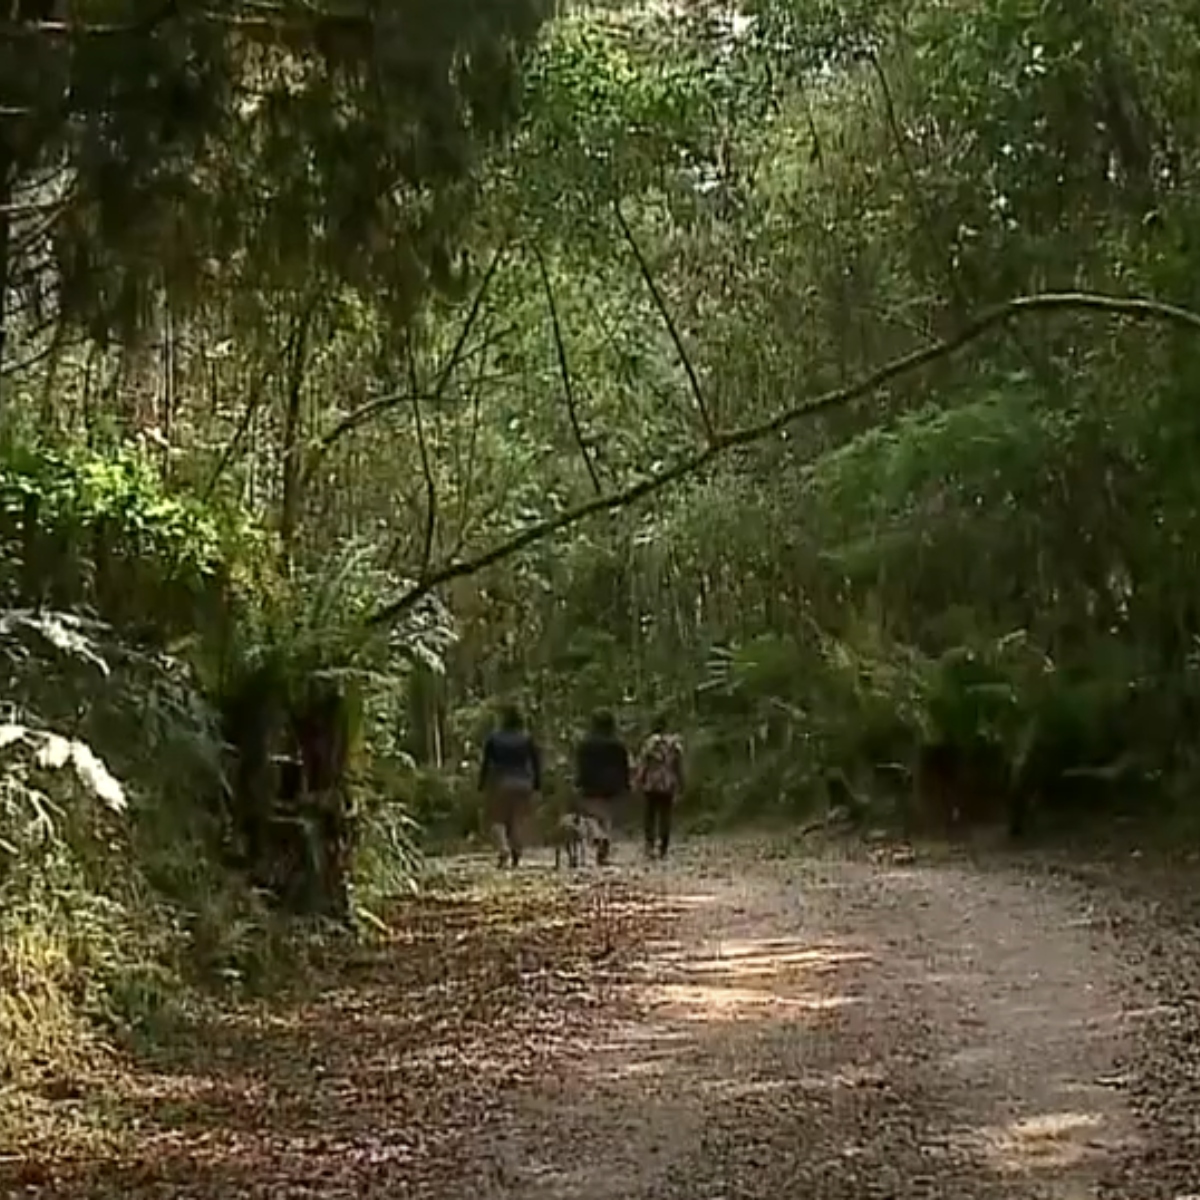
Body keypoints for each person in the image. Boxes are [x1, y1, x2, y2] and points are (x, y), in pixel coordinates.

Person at [478, 705, 542, 868]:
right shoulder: (527, 738)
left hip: (501, 782)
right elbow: (536, 763)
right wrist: (537, 784)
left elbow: (486, 764)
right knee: (518, 820)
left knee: (496, 820)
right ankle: (516, 851)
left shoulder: (494, 738)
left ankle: (503, 848)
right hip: (523, 783)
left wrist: (482, 784)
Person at [573, 709, 630, 866]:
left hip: (590, 783)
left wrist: (579, 781)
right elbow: (624, 765)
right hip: (613, 784)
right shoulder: (617, 744)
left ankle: (599, 836)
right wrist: (625, 783)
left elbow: (581, 765)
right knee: (606, 817)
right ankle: (603, 851)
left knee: (590, 814)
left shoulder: (585, 744)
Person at [635, 715, 684, 860]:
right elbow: (678, 766)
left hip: (651, 783)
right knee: (665, 815)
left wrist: (639, 779)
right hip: (668, 783)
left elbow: (643, 763)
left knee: (650, 815)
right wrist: (681, 782)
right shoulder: (675, 744)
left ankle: (649, 845)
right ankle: (663, 846)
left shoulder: (649, 743)